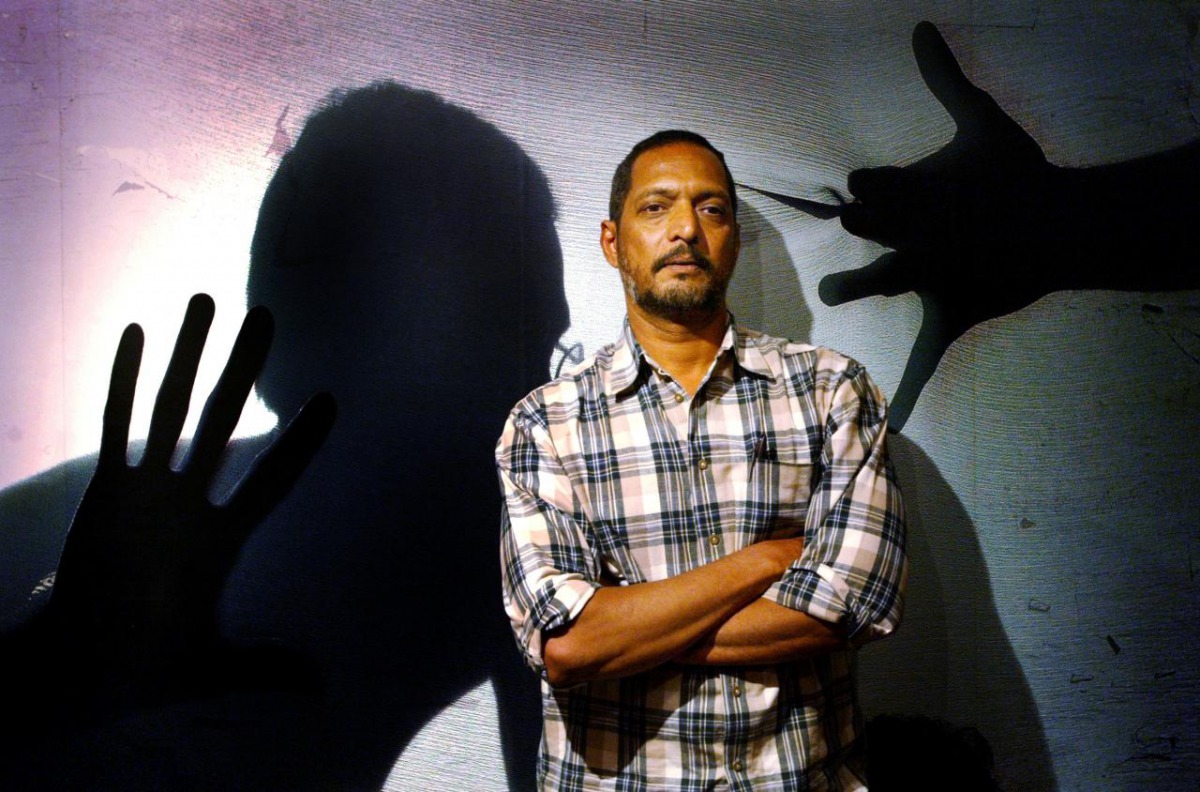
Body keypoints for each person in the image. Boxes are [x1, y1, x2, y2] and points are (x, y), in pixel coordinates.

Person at [497, 129, 908, 790]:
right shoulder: (547, 422)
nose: (685, 228)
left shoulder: (831, 390)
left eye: (711, 208)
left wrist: (627, 630)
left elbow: (855, 600)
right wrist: (769, 560)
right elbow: (568, 645)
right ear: (612, 241)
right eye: (656, 207)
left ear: (735, 240)